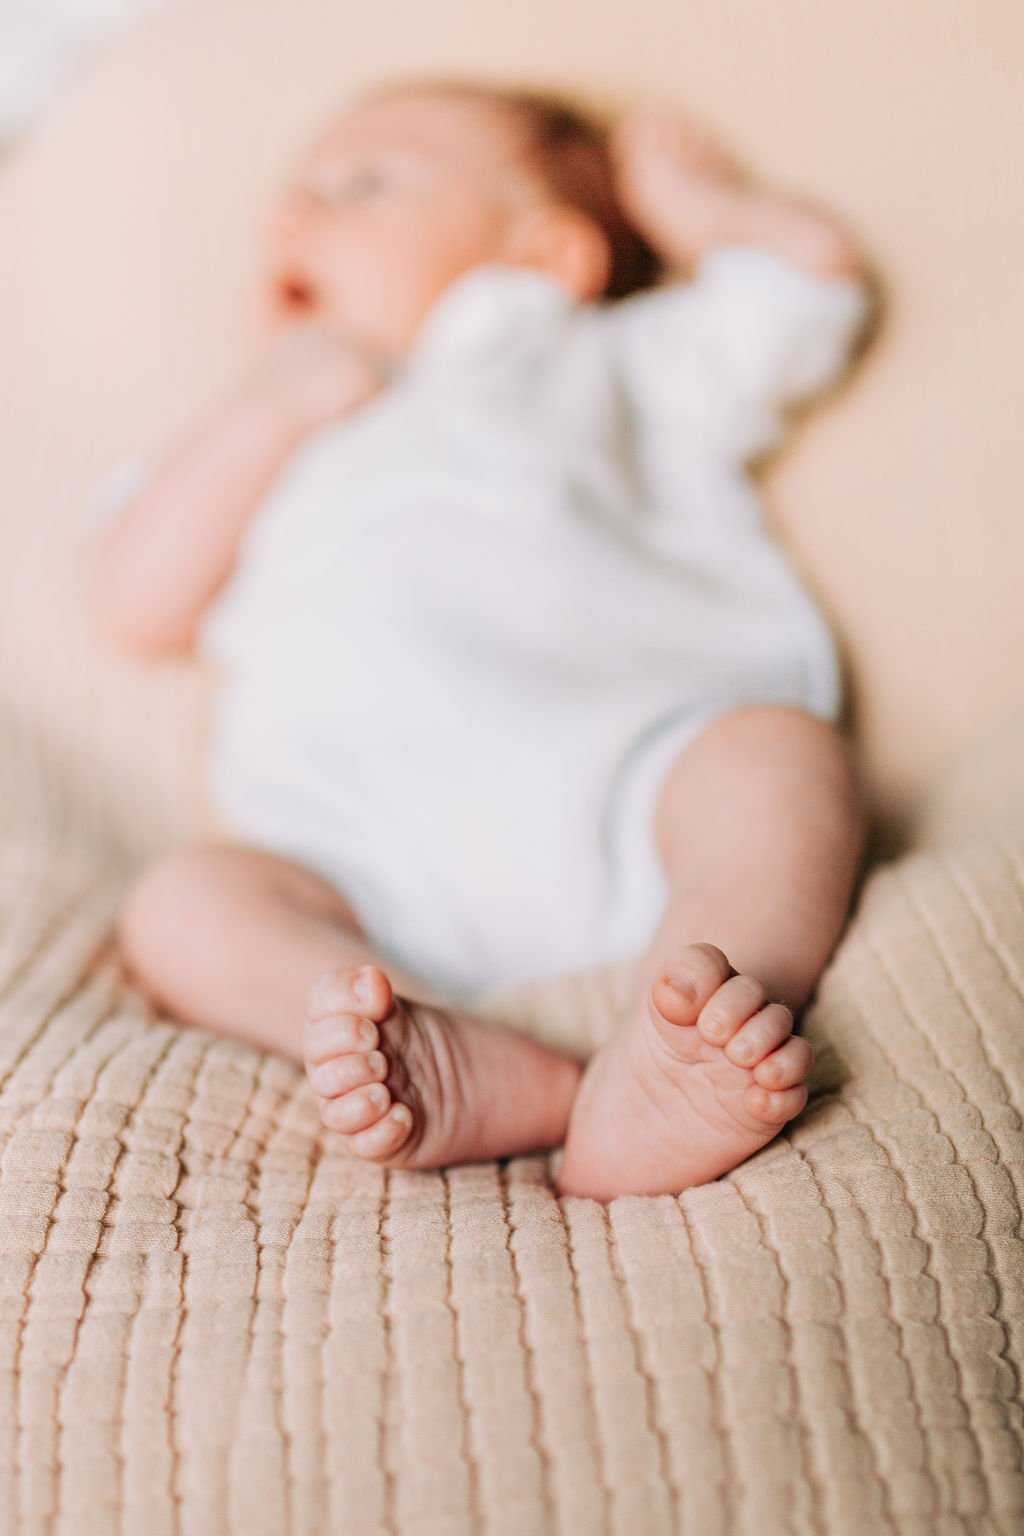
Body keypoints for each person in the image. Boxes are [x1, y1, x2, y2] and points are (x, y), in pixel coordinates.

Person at [84, 77, 872, 1201]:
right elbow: (133, 600)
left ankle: (691, 1027)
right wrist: (268, 409)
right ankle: (471, 1060)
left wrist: (698, 210)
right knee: (181, 905)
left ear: (547, 257)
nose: (294, 221)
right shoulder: (245, 437)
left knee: (780, 761)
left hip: (638, 779)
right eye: (288, 203)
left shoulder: (592, 358)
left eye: (363, 183)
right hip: (363, 869)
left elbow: (804, 288)